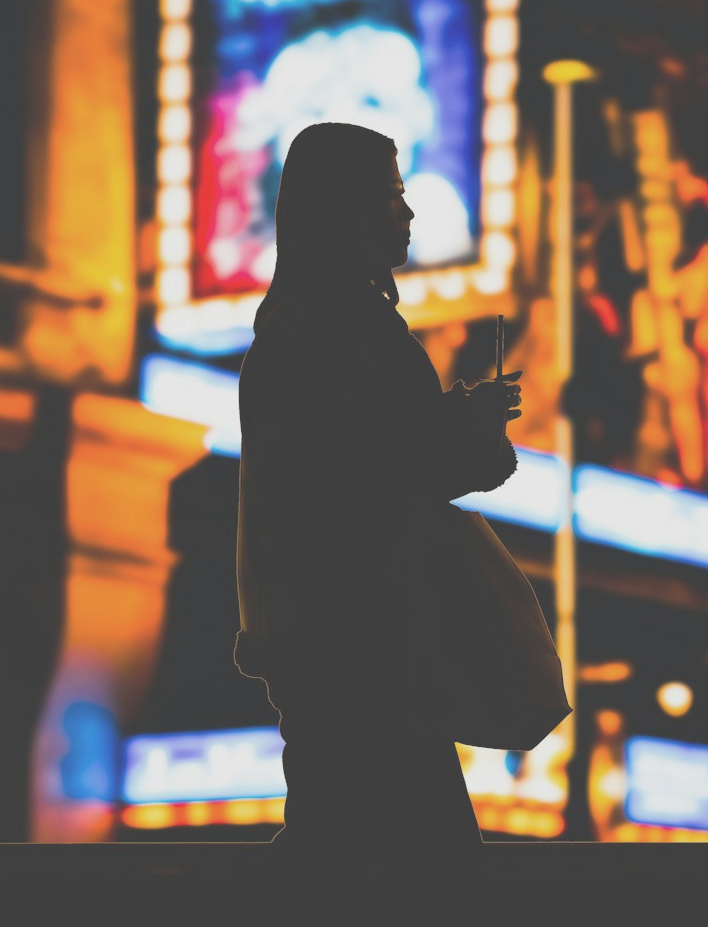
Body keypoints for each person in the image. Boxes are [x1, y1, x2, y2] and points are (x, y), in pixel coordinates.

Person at [234, 122, 521, 886]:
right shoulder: (349, 327)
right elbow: (386, 470)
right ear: (348, 207)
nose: (410, 213)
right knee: (423, 865)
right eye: (392, 194)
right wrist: (472, 430)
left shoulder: (294, 324)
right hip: (370, 644)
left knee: (344, 846)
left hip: (335, 643)